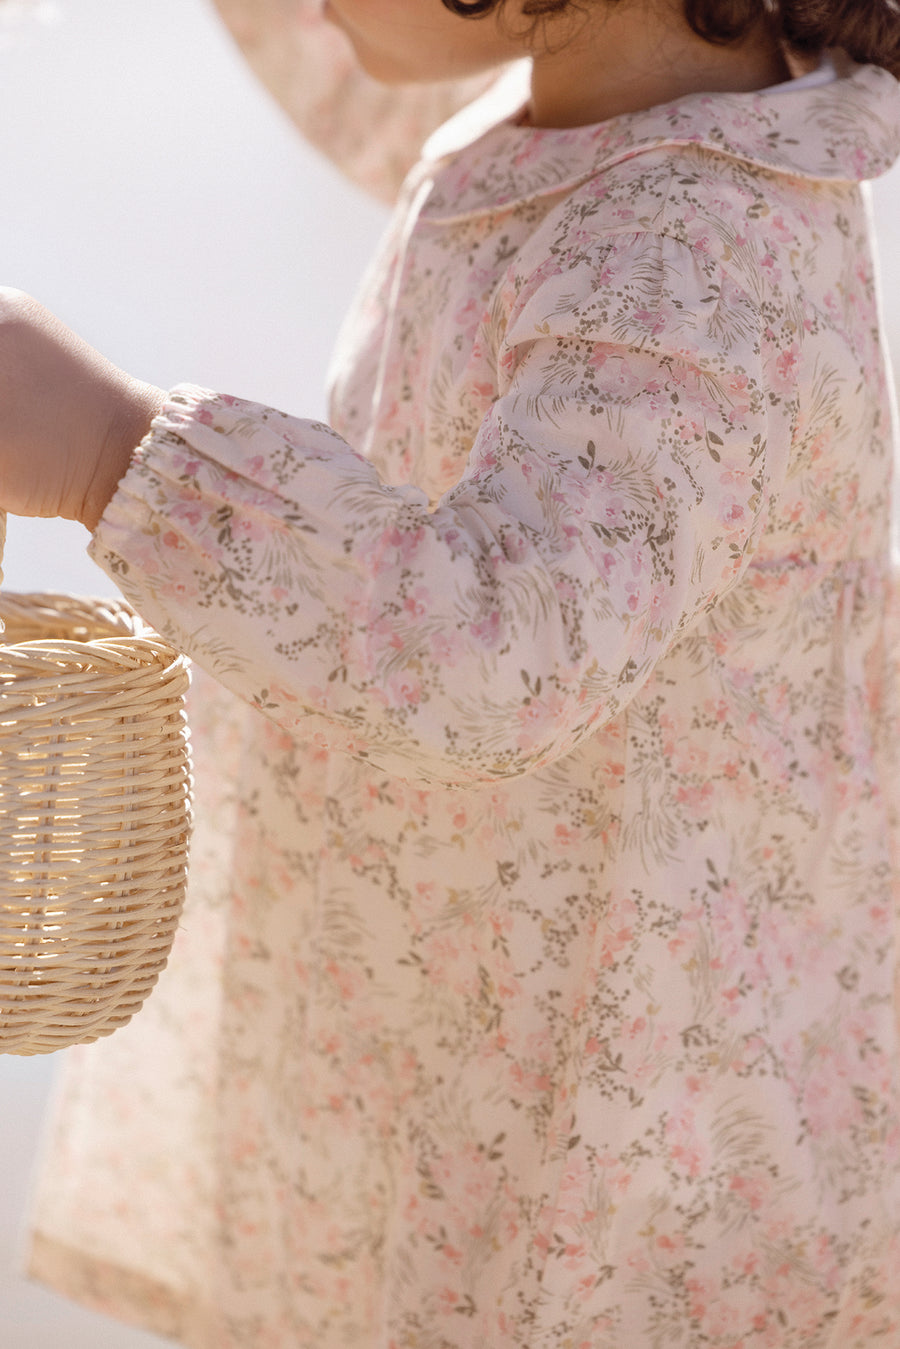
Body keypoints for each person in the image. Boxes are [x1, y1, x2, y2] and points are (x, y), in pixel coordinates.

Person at [12, 0, 900, 1344]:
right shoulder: (564, 101)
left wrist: (116, 454)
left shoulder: (702, 253)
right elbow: (359, 65)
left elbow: (495, 646)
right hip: (456, 1045)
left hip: (615, 1151)